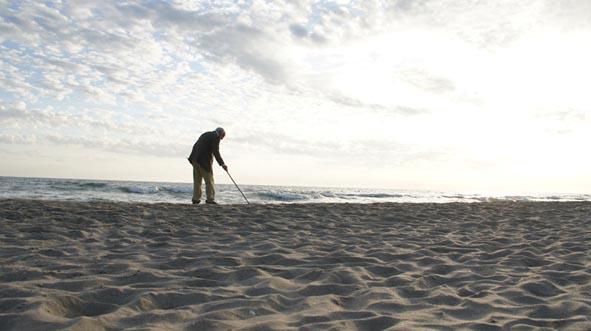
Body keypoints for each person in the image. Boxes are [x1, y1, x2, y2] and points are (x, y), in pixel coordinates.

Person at [188, 127, 228, 204]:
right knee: (209, 180)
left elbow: (195, 145)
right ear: (219, 133)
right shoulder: (215, 137)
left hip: (194, 159)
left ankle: (195, 199)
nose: (221, 139)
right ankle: (210, 199)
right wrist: (222, 164)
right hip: (204, 162)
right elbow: (216, 151)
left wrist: (193, 159)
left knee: (197, 181)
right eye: (222, 136)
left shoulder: (206, 134)